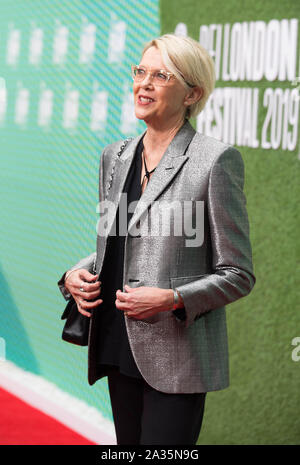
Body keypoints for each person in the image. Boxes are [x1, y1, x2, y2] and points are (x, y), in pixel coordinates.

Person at [57, 34, 255, 445]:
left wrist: (173, 299)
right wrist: (74, 275)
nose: (143, 84)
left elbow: (237, 273)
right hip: (115, 340)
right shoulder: (115, 155)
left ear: (191, 94)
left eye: (161, 75)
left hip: (176, 355)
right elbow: (115, 243)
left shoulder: (215, 160)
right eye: (140, 71)